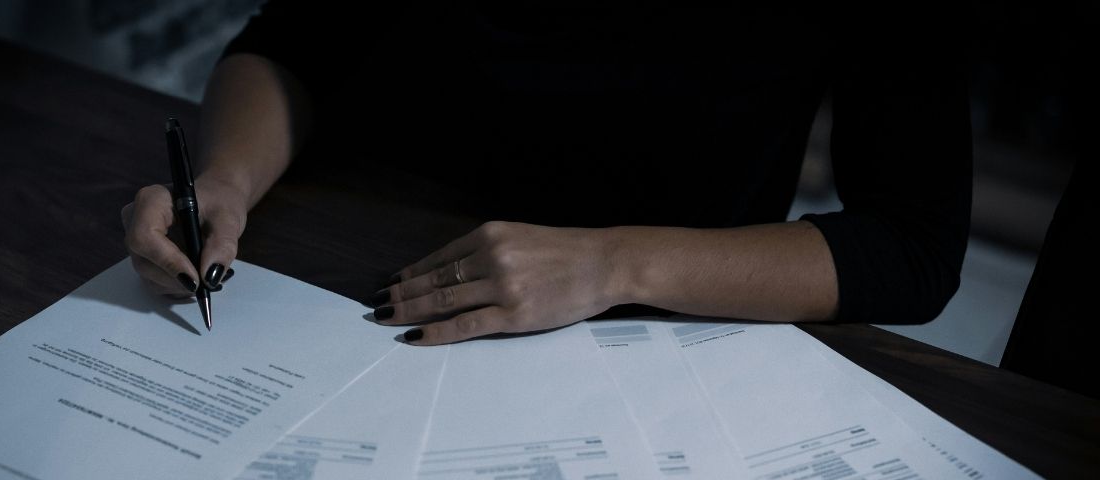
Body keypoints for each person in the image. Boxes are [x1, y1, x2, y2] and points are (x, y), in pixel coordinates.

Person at [122, 1, 972, 345]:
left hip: (653, 323)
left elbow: (912, 246)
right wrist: (227, 180)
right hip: (349, 270)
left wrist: (614, 262)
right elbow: (298, 39)